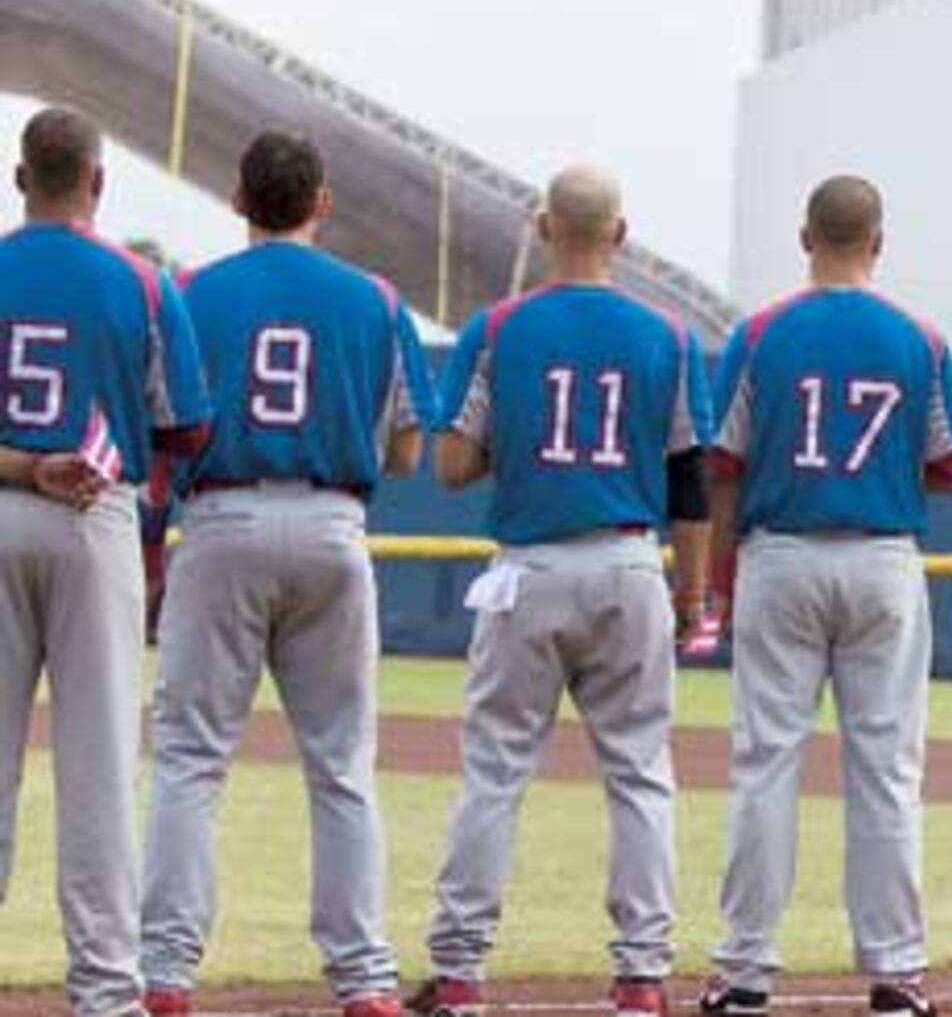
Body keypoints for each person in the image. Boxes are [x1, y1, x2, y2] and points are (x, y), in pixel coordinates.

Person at [139, 133, 432, 1016]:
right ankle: (365, 978)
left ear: (237, 199)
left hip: (221, 519)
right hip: (333, 520)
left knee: (191, 760)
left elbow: (165, 432)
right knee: (341, 765)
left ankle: (165, 974)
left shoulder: (190, 294)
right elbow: (412, 450)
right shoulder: (377, 301)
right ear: (324, 201)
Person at [408, 167, 712, 1017]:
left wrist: (524, 438)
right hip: (627, 563)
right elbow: (690, 485)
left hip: (531, 570)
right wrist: (693, 597)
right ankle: (643, 975)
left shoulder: (498, 327)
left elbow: (452, 464)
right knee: (641, 773)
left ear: (544, 226)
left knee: (495, 772)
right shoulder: (671, 335)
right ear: (621, 233)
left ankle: (462, 970)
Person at [696, 177, 952, 1017]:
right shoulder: (918, 338)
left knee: (764, 765)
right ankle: (896, 973)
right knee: (887, 772)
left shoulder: (760, 333)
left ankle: (744, 970)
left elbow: (724, 465)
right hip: (882, 558)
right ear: (879, 243)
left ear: (803, 236)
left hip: (779, 554)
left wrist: (718, 581)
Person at [0, 107, 209, 1017]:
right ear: (97, 181)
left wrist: (23, 464)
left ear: (19, 180)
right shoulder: (144, 284)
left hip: (3, 501)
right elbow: (189, 426)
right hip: (95, 517)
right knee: (98, 767)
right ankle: (102, 992)